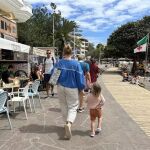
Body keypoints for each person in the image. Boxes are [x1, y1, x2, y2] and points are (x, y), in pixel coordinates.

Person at [55, 44, 85, 140]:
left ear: (63, 52)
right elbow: (80, 78)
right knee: (73, 107)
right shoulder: (76, 64)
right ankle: (69, 123)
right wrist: (81, 88)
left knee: (63, 105)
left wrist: (54, 83)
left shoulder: (59, 63)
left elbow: (54, 75)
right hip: (72, 88)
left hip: (60, 87)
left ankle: (65, 123)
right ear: (72, 53)